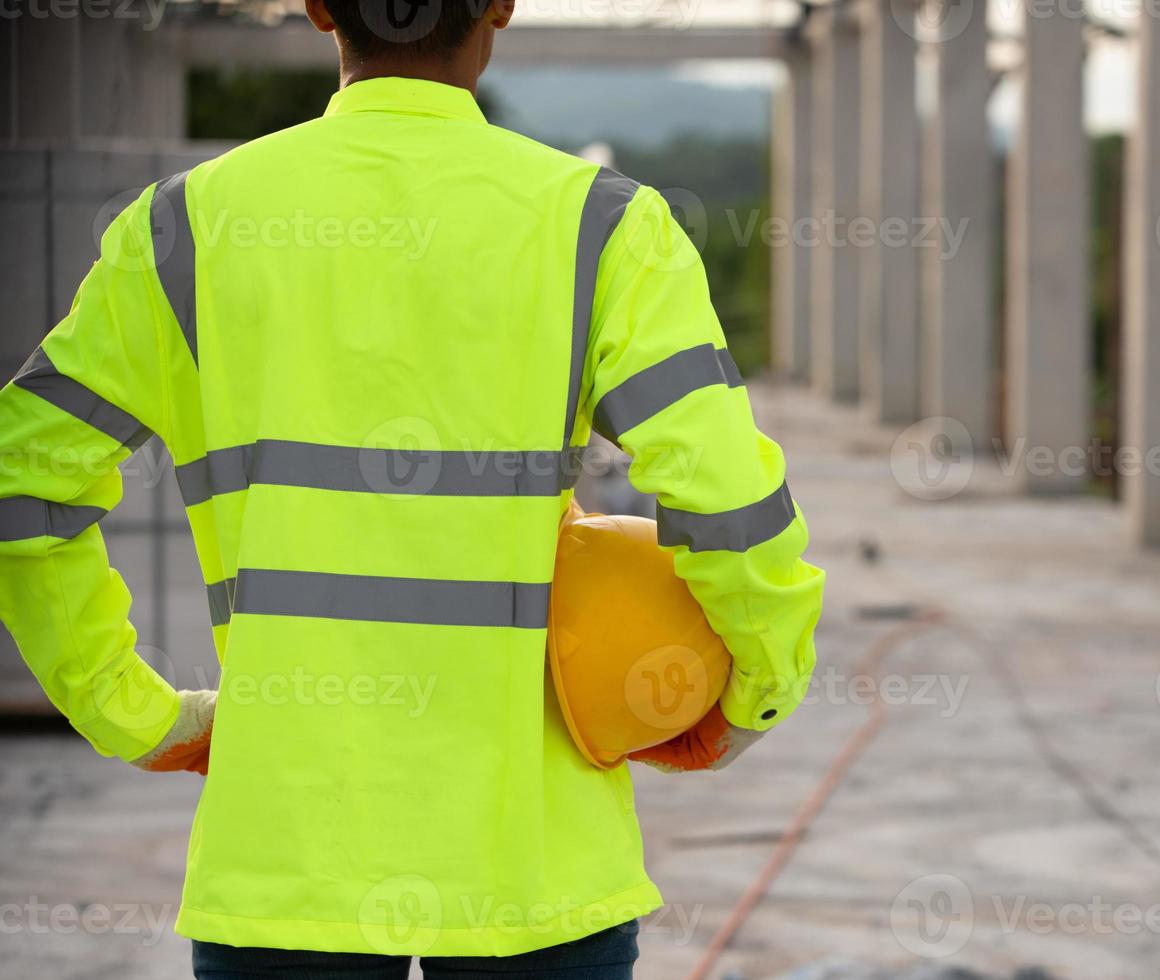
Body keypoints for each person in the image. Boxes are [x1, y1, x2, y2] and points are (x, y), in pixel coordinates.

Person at [0, 1, 825, 977]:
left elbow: (24, 479)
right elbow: (727, 500)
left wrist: (134, 712)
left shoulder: (183, 228)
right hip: (533, 874)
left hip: (286, 869)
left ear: (315, 5)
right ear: (502, 5)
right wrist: (752, 692)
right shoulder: (604, 229)